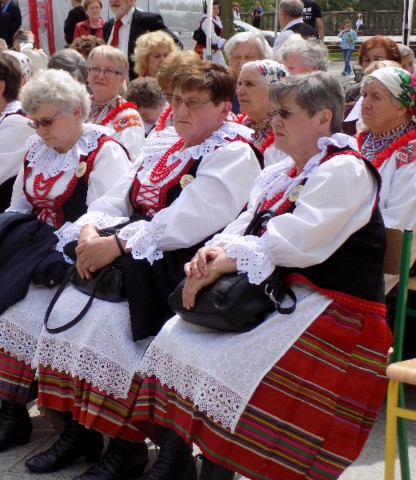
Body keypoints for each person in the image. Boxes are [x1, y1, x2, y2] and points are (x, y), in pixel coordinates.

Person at [132, 71, 391, 480]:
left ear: (324, 119)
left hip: (336, 309)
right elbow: (245, 223)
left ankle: (217, 467)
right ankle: (178, 457)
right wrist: (209, 255)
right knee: (175, 338)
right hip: (282, 293)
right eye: (274, 113)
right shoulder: (284, 170)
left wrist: (224, 262)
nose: (275, 122)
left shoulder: (345, 169)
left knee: (225, 360)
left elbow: (298, 240)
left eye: (286, 113)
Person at [26, 61, 261, 479]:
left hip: (184, 263)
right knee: (66, 314)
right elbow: (119, 196)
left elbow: (188, 222)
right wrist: (90, 228)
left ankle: (128, 444)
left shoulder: (234, 152)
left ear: (225, 109)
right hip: (137, 252)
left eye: (195, 102)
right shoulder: (166, 143)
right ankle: (82, 433)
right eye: (177, 100)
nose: (182, 110)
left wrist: (114, 244)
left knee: (107, 325)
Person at [0, 68, 131, 440]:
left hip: (72, 258)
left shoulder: (103, 151)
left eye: (47, 122)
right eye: (35, 123)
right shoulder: (35, 149)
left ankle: (12, 415)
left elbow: (104, 217)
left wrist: (39, 252)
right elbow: (17, 209)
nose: (40, 131)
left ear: (76, 111)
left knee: (16, 315)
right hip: (30, 253)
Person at [357, 66, 416, 291]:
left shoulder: (411, 155)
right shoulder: (358, 141)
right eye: (364, 95)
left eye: (376, 97)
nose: (365, 104)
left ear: (402, 107)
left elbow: (398, 227)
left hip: (384, 255)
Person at [86, 45, 144, 158]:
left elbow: (126, 161)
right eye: (95, 69)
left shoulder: (127, 117)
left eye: (108, 71)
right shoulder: (77, 107)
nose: (100, 76)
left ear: (121, 78)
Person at [103, 0, 181, 80]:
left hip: (138, 86)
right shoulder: (107, 26)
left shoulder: (148, 21)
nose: (114, 1)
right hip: (110, 85)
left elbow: (176, 45)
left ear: (132, 1)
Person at [236, 59, 288, 166]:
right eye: (239, 84)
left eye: (249, 84)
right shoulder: (232, 127)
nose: (239, 91)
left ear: (274, 91)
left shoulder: (287, 133)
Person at [154, 49, 201, 132]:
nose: (173, 103)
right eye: (168, 96)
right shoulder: (166, 116)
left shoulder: (210, 117)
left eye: (178, 98)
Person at [193, 1, 226, 67]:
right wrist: (222, 42)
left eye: (217, 8)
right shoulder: (207, 21)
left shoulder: (216, 20)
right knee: (205, 69)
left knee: (222, 68)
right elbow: (212, 36)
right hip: (205, 50)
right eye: (214, 8)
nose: (216, 10)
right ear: (209, 9)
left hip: (214, 49)